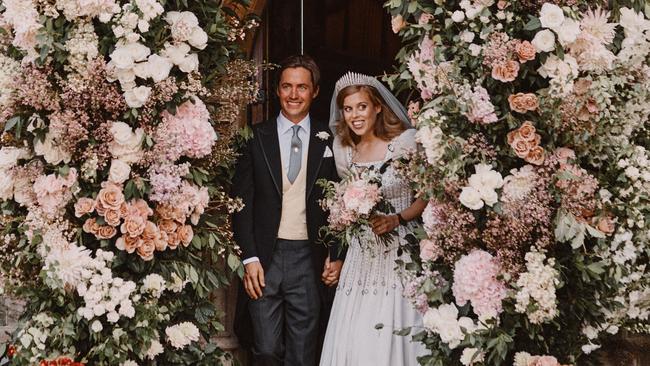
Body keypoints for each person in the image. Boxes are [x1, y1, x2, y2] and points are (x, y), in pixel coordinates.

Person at [231, 55, 344, 366]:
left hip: (309, 259)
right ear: (277, 90)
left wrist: (336, 253)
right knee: (265, 348)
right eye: (287, 87)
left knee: (303, 352)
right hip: (265, 259)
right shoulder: (254, 138)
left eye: (302, 88)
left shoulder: (332, 141)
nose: (294, 95)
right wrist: (249, 257)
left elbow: (343, 206)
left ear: (315, 92)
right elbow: (241, 204)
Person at [319, 72, 427, 366]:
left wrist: (398, 219)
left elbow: (426, 194)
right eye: (348, 108)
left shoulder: (406, 142)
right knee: (357, 328)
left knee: (393, 323)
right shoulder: (345, 152)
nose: (355, 115)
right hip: (362, 253)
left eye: (361, 107)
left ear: (377, 106)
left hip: (401, 248)